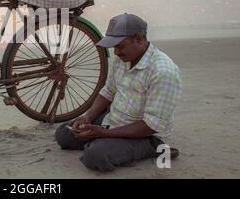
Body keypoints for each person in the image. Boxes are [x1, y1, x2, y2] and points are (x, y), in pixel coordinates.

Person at [55, 13, 182, 172]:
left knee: (94, 156)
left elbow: (152, 125)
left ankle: (151, 147)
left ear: (139, 39)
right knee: (64, 134)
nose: (115, 52)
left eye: (120, 46)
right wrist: (88, 117)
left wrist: (103, 133)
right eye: (114, 47)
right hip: (114, 118)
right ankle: (103, 141)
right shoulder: (124, 58)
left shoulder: (163, 72)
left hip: (142, 132)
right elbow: (108, 91)